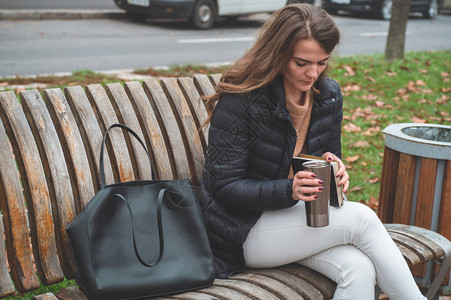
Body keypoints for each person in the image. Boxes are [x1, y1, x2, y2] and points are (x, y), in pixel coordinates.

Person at [199, 3, 426, 300]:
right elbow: (223, 187)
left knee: (358, 269)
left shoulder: (328, 96)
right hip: (240, 231)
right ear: (278, 54)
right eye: (302, 63)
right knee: (362, 219)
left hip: (297, 222)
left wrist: (338, 170)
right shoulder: (243, 101)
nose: (313, 73)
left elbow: (329, 155)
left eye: (321, 63)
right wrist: (289, 189)